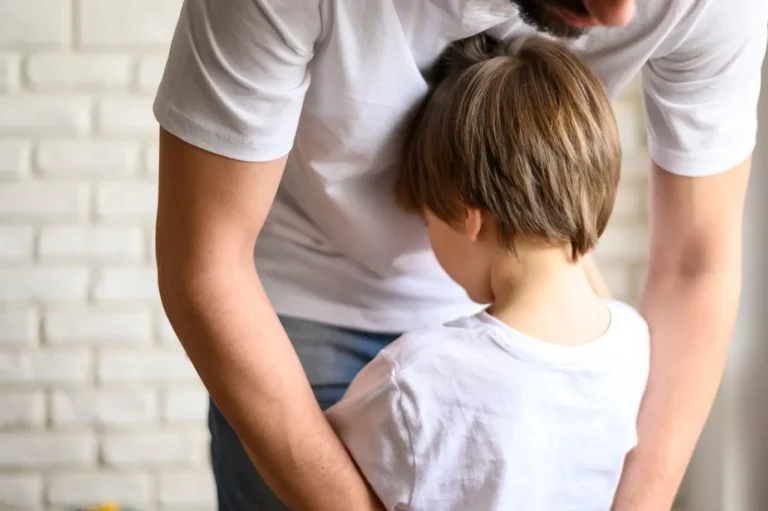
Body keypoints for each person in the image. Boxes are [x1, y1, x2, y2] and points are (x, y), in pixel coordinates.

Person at [153, 0, 767, 509]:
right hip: (294, 315)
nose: (619, 13)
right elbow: (207, 263)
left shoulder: (408, 385)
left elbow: (699, 263)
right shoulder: (631, 347)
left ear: (461, 212)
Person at [325, 32, 650, 510]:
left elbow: (314, 467)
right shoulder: (633, 341)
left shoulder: (415, 377)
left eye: (427, 217)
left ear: (464, 214)